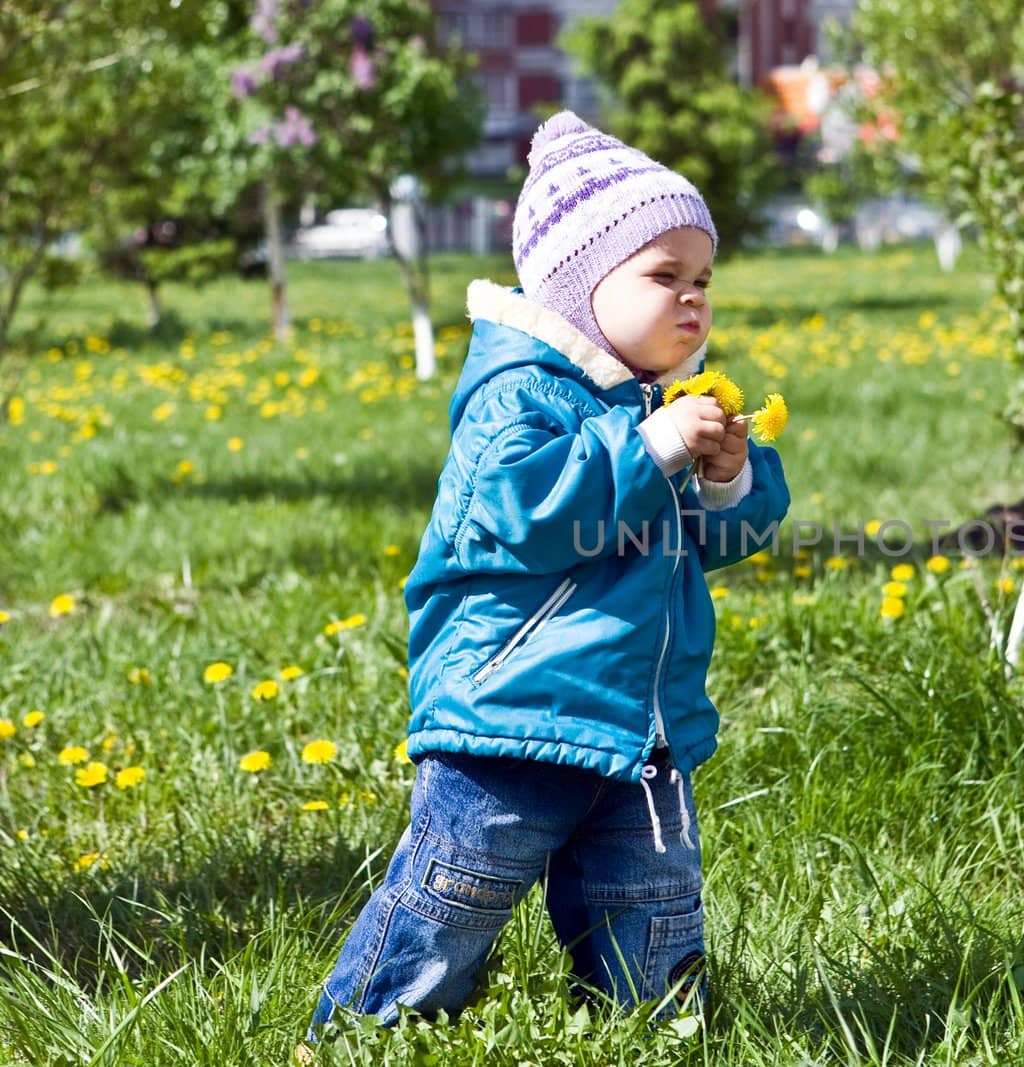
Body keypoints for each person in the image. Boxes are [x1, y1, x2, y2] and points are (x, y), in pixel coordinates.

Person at [304, 111, 790, 1041]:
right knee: (455, 893)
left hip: (638, 725)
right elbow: (527, 514)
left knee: (652, 895)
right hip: (513, 717)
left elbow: (716, 538)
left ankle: (648, 1027)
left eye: (702, 281)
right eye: (663, 278)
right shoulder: (519, 392)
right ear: (579, 286)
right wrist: (650, 448)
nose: (693, 302)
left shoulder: (657, 407)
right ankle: (366, 1030)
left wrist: (727, 474)